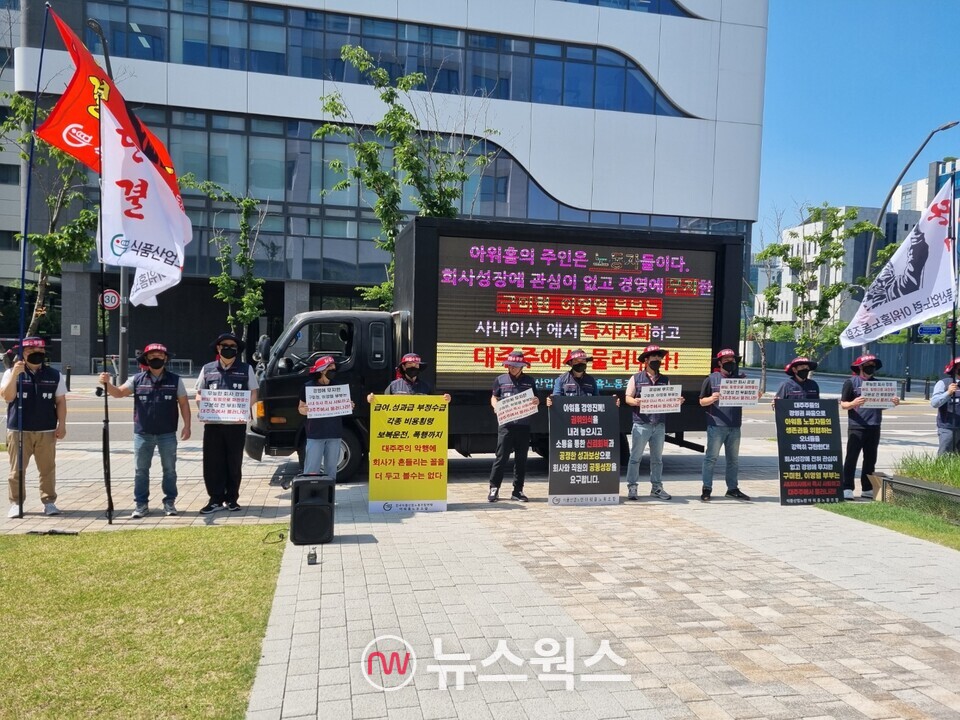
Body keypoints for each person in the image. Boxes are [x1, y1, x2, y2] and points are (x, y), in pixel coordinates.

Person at [99, 343, 191, 518]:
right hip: (142, 434)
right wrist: (107, 383)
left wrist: (187, 426)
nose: (156, 358)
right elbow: (118, 393)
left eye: (159, 356)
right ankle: (141, 505)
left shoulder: (175, 380)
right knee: (141, 471)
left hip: (167, 434)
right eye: (152, 356)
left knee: (169, 470)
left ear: (165, 358)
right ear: (146, 359)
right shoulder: (137, 379)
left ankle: (169, 503)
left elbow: (184, 404)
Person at [1, 337, 66, 517]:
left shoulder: (54, 375)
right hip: (19, 429)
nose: (35, 354)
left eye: (39, 351)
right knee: (17, 469)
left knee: (47, 469)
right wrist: (15, 374)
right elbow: (7, 397)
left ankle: (49, 501)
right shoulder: (12, 373)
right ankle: (16, 503)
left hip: (46, 429)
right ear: (23, 353)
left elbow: (60, 401)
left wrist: (62, 424)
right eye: (30, 351)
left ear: (44, 353)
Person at [195, 332, 259, 514]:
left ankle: (232, 499)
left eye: (233, 346)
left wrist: (243, 408)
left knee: (233, 462)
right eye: (225, 345)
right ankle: (215, 499)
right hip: (213, 425)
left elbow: (254, 392)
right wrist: (204, 405)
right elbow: (200, 393)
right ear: (218, 348)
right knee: (212, 463)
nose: (228, 349)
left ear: (237, 350)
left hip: (236, 425)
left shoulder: (246, 369)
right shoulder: (208, 369)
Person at [624, 345, 682, 501]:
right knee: (635, 457)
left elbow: (669, 400)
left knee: (657, 459)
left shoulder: (664, 379)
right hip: (641, 424)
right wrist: (635, 401)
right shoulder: (636, 378)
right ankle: (632, 487)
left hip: (659, 424)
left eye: (659, 357)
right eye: (654, 356)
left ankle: (656, 487)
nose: (657, 359)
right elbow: (627, 398)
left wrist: (677, 401)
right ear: (646, 360)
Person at [698, 348, 755, 502]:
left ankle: (732, 488)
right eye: (727, 360)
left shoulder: (741, 379)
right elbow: (701, 401)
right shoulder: (711, 379)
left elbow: (751, 397)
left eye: (733, 360)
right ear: (720, 362)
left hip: (735, 425)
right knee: (711, 458)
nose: (730, 363)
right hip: (716, 425)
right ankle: (706, 488)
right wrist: (712, 398)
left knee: (733, 459)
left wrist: (755, 394)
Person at [840, 355, 898, 501]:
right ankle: (847, 487)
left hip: (874, 425)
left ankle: (867, 488)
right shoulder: (851, 382)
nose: (870, 368)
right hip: (857, 426)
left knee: (870, 459)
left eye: (873, 365)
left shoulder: (878, 385)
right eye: (867, 365)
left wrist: (892, 403)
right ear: (860, 367)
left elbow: (880, 405)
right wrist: (853, 403)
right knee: (851, 458)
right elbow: (843, 404)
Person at [487, 350, 540, 503]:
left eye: (515, 366)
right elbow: (494, 397)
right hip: (506, 425)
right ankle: (494, 488)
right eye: (510, 365)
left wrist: (536, 401)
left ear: (522, 366)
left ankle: (518, 491)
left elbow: (535, 398)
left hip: (523, 425)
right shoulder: (500, 379)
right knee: (501, 457)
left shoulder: (530, 381)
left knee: (521, 459)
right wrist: (496, 407)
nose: (512, 368)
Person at [298, 356, 354, 479]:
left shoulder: (338, 388)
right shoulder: (308, 387)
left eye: (334, 366)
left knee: (331, 470)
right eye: (330, 367)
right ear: (322, 370)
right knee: (312, 469)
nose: (333, 369)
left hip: (334, 433)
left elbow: (345, 406)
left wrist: (349, 405)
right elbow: (300, 408)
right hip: (315, 434)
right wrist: (306, 410)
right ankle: (309, 494)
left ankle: (329, 495)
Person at [366, 353, 451, 402]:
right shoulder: (393, 386)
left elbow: (437, 404)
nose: (413, 367)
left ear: (419, 367)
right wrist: (372, 400)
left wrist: (446, 399)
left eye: (416, 364)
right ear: (403, 367)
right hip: (399, 428)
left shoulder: (426, 387)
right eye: (410, 364)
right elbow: (383, 403)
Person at [931, 356, 960, 455]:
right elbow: (934, 403)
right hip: (947, 426)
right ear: (955, 369)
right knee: (945, 455)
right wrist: (948, 393)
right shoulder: (944, 383)